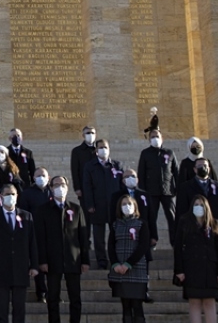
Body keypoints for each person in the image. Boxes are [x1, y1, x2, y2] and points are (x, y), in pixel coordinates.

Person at [35, 176, 89, 323]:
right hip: (52, 260)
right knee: (52, 297)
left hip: (73, 259)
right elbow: (40, 238)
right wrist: (42, 260)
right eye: (56, 185)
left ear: (67, 186)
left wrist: (85, 260)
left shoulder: (76, 209)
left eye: (62, 184)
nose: (60, 187)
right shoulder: (43, 210)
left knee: (75, 297)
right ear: (51, 188)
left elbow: (83, 236)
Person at [0, 184, 37, 323]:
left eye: (13, 194)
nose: (10, 197)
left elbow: (32, 242)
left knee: (19, 309)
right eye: (7, 194)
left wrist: (34, 265)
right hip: (1, 269)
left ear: (17, 196)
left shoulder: (26, 216)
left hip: (21, 268)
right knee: (2, 309)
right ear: (1, 197)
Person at [174, 196, 218, 323]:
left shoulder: (214, 224)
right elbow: (178, 248)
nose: (199, 207)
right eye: (196, 204)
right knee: (194, 302)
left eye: (201, 205)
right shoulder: (184, 222)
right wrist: (179, 270)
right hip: (191, 268)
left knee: (209, 302)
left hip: (210, 270)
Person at [107, 195, 150, 323]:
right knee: (125, 306)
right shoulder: (115, 225)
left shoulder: (141, 224)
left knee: (137, 305)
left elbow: (143, 246)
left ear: (135, 206)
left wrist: (128, 264)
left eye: (129, 204)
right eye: (124, 204)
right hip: (119, 270)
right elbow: (111, 245)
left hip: (136, 268)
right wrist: (115, 264)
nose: (127, 206)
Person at [81, 138, 123, 269]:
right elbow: (86, 186)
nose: (103, 150)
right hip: (97, 205)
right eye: (100, 147)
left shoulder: (117, 165)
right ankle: (102, 260)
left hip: (114, 206)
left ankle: (115, 258)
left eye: (105, 147)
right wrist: (89, 204)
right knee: (99, 237)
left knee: (115, 234)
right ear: (96, 150)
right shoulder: (89, 166)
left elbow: (122, 185)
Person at [137, 128, 178, 247]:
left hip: (168, 191)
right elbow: (141, 173)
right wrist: (143, 191)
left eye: (157, 136)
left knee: (172, 217)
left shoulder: (169, 153)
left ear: (162, 138)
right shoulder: (145, 153)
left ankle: (175, 242)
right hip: (151, 192)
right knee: (151, 217)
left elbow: (176, 171)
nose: (155, 139)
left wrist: (176, 188)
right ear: (149, 139)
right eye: (153, 137)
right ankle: (151, 241)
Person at [20, 167, 52, 303]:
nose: (41, 178)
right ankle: (41, 292)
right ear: (33, 178)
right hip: (35, 233)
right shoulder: (27, 193)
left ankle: (53, 292)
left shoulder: (52, 192)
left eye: (43, 175)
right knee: (38, 263)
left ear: (48, 177)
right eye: (38, 175)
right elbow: (23, 212)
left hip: (52, 234)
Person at [70, 126, 98, 207]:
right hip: (84, 186)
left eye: (92, 133)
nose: (90, 135)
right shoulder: (77, 151)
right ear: (83, 135)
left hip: (98, 185)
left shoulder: (98, 149)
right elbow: (74, 170)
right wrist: (77, 188)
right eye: (88, 133)